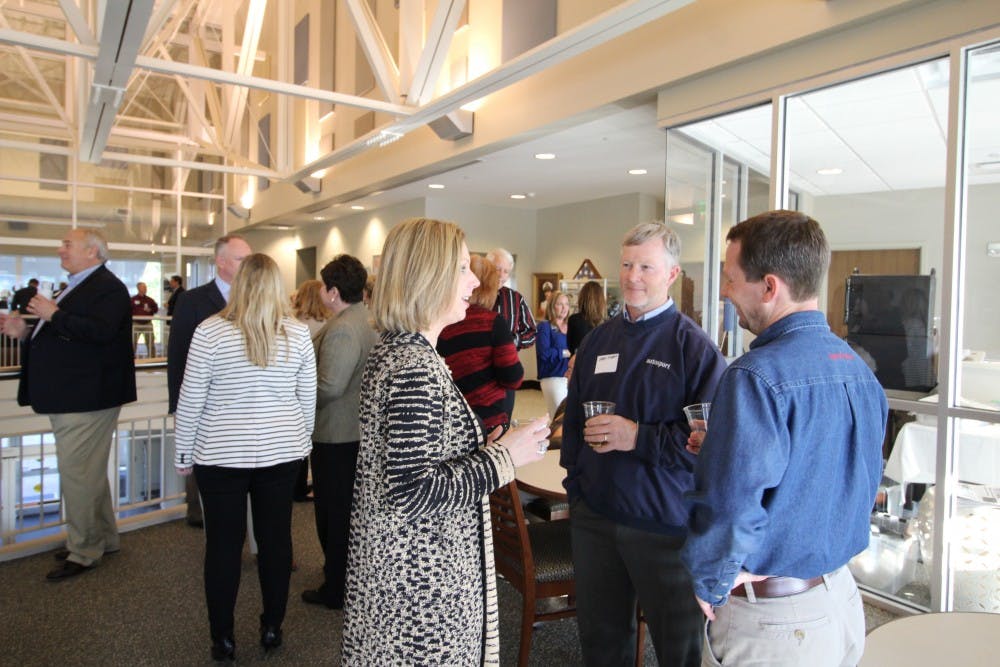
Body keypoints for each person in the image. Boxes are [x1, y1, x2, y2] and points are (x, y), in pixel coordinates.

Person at [681, 211, 888, 667]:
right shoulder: (860, 371)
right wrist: (726, 446)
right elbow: (842, 475)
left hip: (776, 623)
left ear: (770, 287)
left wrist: (709, 581)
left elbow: (731, 507)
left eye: (732, 279)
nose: (723, 292)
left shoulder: (755, 376)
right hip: (843, 604)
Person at [342, 217, 550, 665]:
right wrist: (501, 458)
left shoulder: (402, 350)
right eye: (461, 268)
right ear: (427, 275)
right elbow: (410, 490)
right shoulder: (414, 366)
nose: (474, 281)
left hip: (406, 573)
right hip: (421, 589)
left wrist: (485, 446)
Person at [560, 221, 727, 667]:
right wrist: (577, 491)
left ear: (672, 274)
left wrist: (637, 436)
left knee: (679, 649)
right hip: (595, 519)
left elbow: (709, 448)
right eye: (627, 264)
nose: (633, 276)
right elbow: (573, 423)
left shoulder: (695, 349)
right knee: (601, 643)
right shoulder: (598, 340)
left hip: (664, 528)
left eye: (647, 266)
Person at [173, 253, 316, 662]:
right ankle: (272, 627)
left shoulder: (210, 332)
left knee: (222, 546)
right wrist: (300, 442)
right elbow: (307, 398)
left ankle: (224, 638)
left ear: (239, 285)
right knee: (275, 542)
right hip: (281, 453)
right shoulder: (297, 333)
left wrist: (183, 453)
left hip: (219, 455)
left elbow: (192, 399)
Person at [0, 230, 135, 580]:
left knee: (77, 475)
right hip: (74, 395)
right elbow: (67, 339)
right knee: (88, 474)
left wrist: (54, 313)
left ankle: (84, 550)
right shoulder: (75, 286)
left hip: (87, 397)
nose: (60, 249)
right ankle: (103, 538)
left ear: (92, 251)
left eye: (67, 244)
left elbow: (100, 333)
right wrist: (25, 333)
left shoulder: (108, 287)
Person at [301, 255, 378, 611]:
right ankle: (343, 576)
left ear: (333, 292)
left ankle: (336, 587)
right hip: (353, 432)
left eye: (323, 286)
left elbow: (330, 386)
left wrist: (296, 396)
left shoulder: (345, 328)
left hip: (337, 434)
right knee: (344, 512)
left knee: (334, 514)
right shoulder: (364, 318)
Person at [168, 234, 253, 528]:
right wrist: (178, 406)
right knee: (203, 466)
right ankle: (198, 512)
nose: (248, 264)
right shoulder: (193, 300)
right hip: (204, 402)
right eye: (242, 258)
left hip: (244, 404)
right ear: (221, 261)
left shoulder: (256, 299)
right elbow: (178, 354)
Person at [436, 254, 524, 433]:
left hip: (452, 418)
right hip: (489, 420)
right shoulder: (492, 322)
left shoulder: (443, 321)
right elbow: (513, 377)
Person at [486, 247, 536, 351]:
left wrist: (515, 340)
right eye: (497, 269)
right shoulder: (471, 294)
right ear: (486, 267)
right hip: (476, 362)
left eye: (506, 271)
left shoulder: (516, 298)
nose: (501, 275)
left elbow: (532, 332)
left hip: (506, 361)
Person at [536, 290, 571, 418]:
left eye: (566, 304)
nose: (564, 308)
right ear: (552, 307)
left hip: (570, 378)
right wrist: (565, 353)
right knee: (559, 417)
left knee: (569, 418)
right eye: (560, 304)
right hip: (553, 378)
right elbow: (544, 353)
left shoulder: (571, 326)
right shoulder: (544, 326)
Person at [567, 280, 606, 354]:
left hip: (579, 363)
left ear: (582, 298)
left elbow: (570, 348)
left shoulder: (574, 320)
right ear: (601, 300)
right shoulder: (606, 323)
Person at [131, 281, 159, 357]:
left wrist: (150, 310)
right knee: (132, 343)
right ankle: (131, 360)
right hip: (136, 324)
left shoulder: (150, 300)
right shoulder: (133, 299)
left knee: (150, 342)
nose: (145, 289)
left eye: (146, 287)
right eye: (143, 287)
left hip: (147, 324)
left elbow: (155, 309)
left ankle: (152, 360)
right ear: (138, 288)